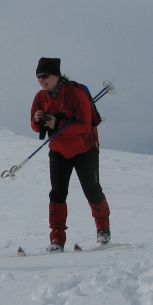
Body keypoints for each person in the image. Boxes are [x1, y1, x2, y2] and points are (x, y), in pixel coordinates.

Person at [30, 57, 110, 252]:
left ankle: (103, 228)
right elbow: (34, 127)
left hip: (85, 148)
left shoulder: (76, 94)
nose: (41, 80)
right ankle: (57, 239)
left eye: (45, 76)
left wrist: (55, 124)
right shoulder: (40, 97)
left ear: (57, 75)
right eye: (38, 76)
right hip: (58, 149)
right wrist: (38, 120)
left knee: (91, 188)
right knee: (57, 192)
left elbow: (85, 125)